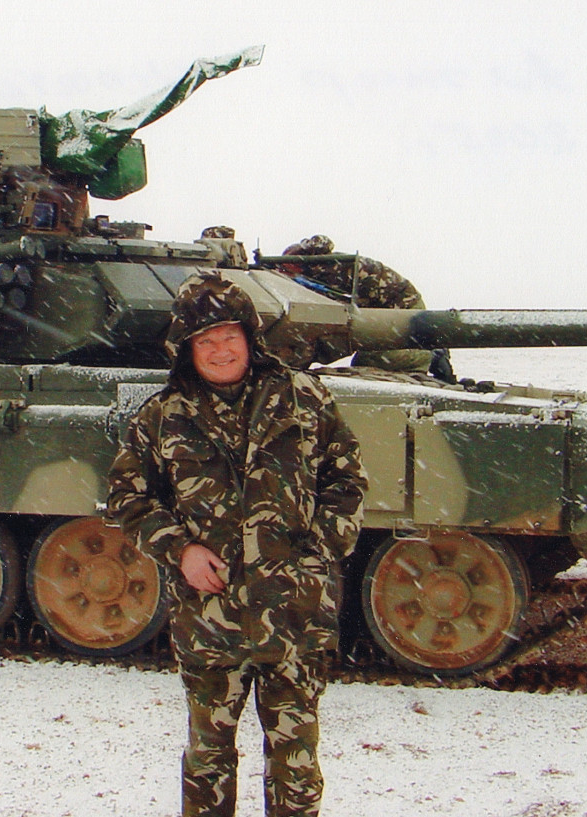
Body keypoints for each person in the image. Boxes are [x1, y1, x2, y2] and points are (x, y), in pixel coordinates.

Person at [107, 272, 367, 817]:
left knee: (296, 762)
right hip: (209, 619)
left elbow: (346, 482)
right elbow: (128, 499)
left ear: (250, 338)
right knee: (208, 759)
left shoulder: (304, 398)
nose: (220, 350)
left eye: (230, 336)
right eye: (205, 340)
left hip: (295, 614)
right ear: (186, 348)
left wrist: (315, 554)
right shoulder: (162, 416)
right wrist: (180, 549)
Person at [278, 234, 450, 378]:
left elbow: (337, 332)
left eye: (285, 269)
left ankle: (429, 355)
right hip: (382, 309)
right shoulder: (321, 269)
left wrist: (297, 359)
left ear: (297, 264)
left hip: (404, 311)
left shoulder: (326, 273)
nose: (284, 275)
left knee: (370, 361)